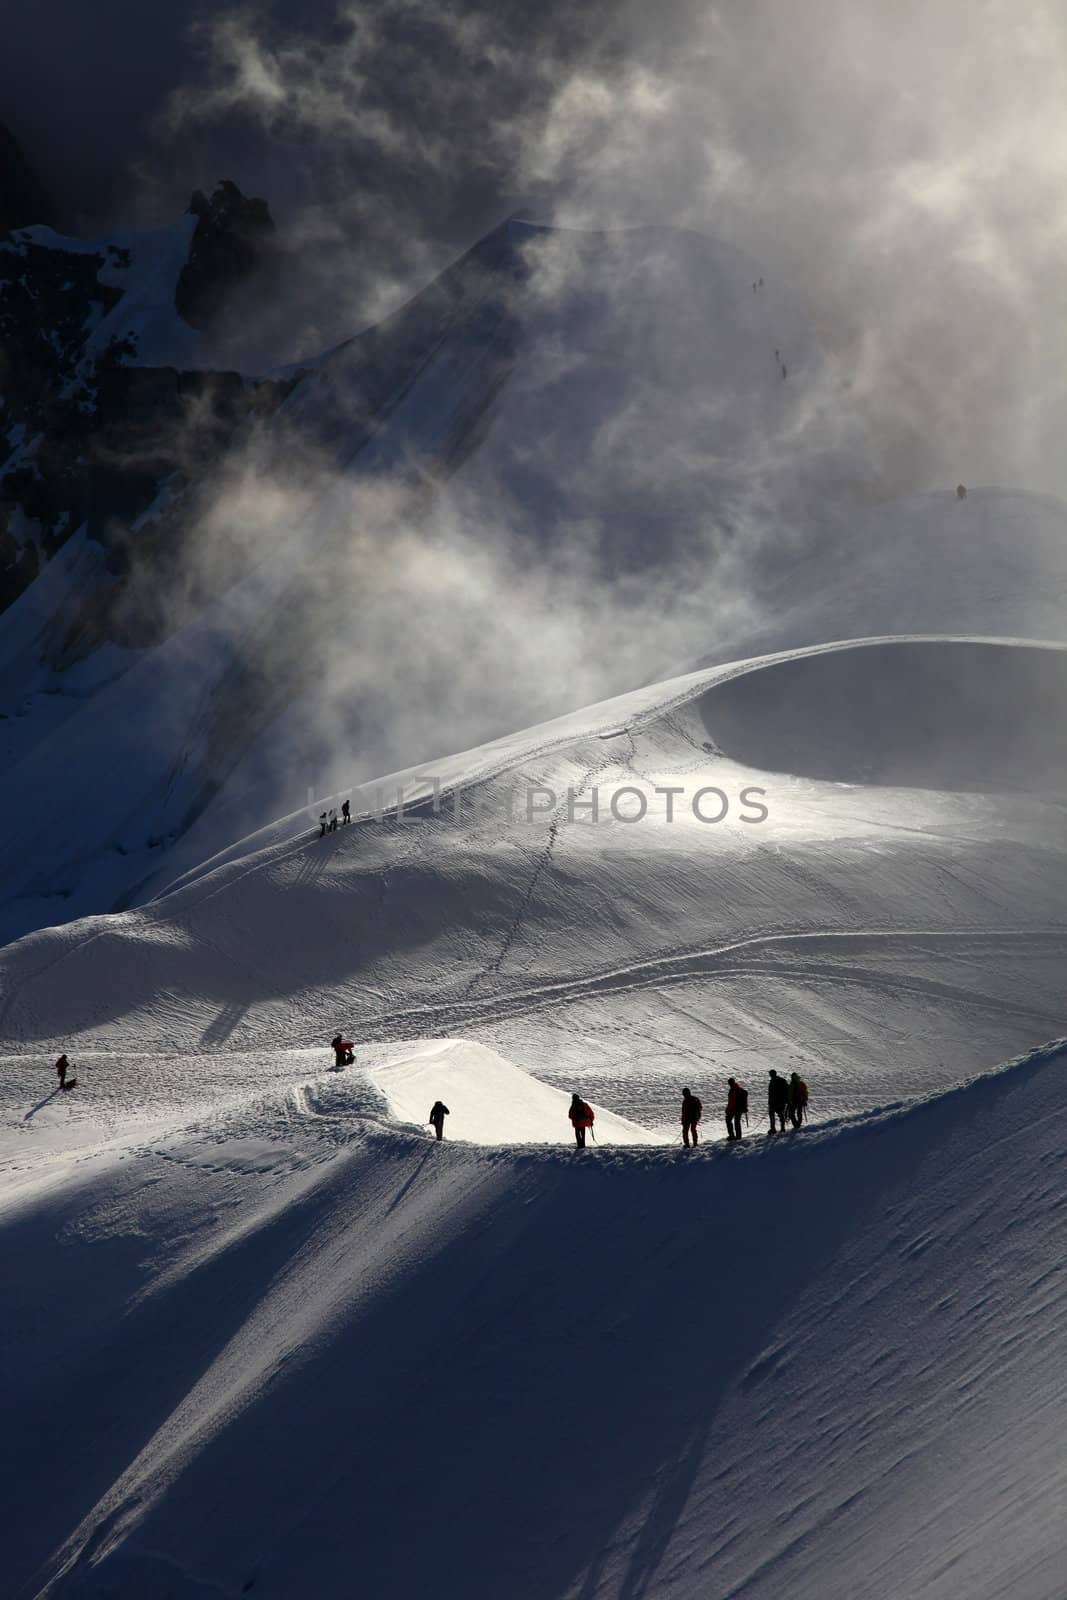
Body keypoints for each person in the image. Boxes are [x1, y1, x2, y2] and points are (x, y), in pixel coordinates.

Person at [768, 1069, 789, 1133]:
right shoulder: (782, 1081)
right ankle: (782, 1128)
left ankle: (773, 1129)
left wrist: (770, 1101)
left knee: (772, 1115)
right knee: (781, 1115)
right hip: (781, 1101)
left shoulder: (773, 1081)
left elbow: (771, 1093)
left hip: (774, 1102)